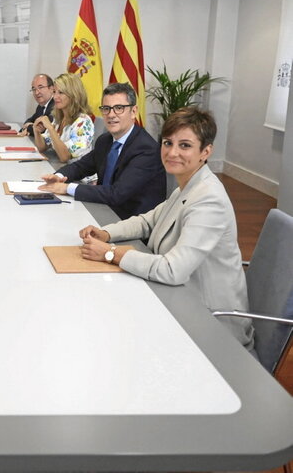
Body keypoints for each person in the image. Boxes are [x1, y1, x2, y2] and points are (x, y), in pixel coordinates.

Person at [78, 107, 254, 350]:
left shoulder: (208, 199)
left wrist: (110, 253)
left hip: (211, 326)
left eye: (185, 145)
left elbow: (173, 270)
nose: (172, 152)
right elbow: (148, 221)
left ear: (205, 152)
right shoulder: (188, 185)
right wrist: (107, 233)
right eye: (168, 143)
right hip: (179, 299)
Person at [38, 82, 166, 220]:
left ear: (133, 111)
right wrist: (58, 176)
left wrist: (66, 188)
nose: (111, 115)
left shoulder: (146, 150)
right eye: (106, 108)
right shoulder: (105, 141)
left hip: (130, 225)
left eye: (119, 108)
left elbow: (116, 194)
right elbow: (81, 166)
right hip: (102, 210)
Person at [31, 73, 94, 162]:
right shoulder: (59, 118)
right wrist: (36, 131)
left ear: (73, 94)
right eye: (54, 92)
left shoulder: (84, 122)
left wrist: (51, 129)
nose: (55, 97)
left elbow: (65, 157)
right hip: (59, 169)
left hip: (80, 175)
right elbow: (42, 147)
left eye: (60, 92)